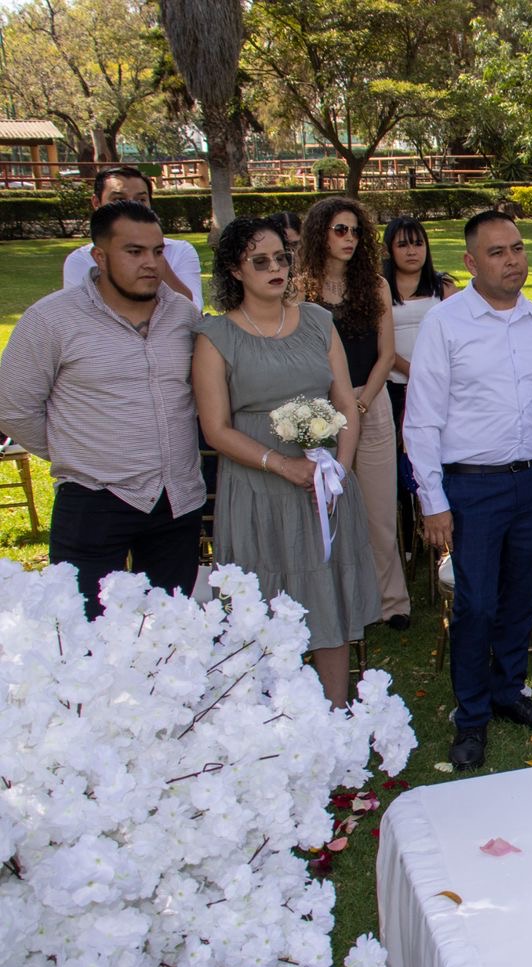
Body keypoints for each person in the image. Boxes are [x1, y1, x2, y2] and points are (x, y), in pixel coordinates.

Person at [406, 210, 532, 771]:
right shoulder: (446, 323)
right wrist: (434, 502)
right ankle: (470, 714)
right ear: (471, 262)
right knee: (476, 604)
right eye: (498, 252)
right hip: (472, 486)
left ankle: (509, 691)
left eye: (519, 248)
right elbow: (421, 419)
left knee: (522, 595)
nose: (513, 260)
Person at [193, 216, 379, 705]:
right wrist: (282, 465)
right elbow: (216, 429)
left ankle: (336, 712)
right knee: (267, 600)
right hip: (258, 487)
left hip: (325, 483)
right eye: (260, 261)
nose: (275, 268)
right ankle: (273, 716)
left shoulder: (318, 320)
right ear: (235, 271)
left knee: (327, 594)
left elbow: (346, 402)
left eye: (282, 258)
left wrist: (338, 467)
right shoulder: (216, 337)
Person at [0, 200, 204, 613]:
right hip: (93, 502)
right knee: (86, 639)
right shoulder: (52, 320)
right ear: (99, 256)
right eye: (134, 252)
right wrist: (78, 453)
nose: (150, 263)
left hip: (177, 500)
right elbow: (13, 407)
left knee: (170, 637)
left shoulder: (183, 315)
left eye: (157, 251)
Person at [299, 197, 410, 630]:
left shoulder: (375, 285)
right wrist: (337, 409)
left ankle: (392, 602)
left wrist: (360, 405)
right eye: (340, 230)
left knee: (380, 512)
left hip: (372, 399)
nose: (350, 239)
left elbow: (386, 355)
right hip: (320, 407)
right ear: (319, 234)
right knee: (329, 509)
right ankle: (337, 601)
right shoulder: (299, 290)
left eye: (356, 231)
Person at [382, 216, 456, 569]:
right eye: (403, 244)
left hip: (439, 391)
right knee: (399, 468)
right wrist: (413, 372)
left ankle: (442, 540)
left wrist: (428, 378)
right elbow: (381, 344)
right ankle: (405, 541)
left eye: (418, 243)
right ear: (389, 249)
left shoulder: (443, 287)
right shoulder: (379, 288)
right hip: (394, 387)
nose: (412, 251)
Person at [62, 166, 203, 311]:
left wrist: (155, 255)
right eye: (118, 200)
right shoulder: (80, 260)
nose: (131, 207)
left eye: (141, 200)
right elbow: (77, 317)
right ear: (97, 203)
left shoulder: (180, 251)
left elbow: (193, 310)